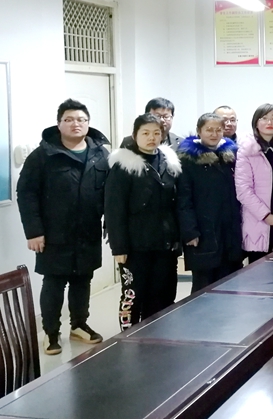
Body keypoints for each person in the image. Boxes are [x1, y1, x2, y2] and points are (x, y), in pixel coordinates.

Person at [17, 99, 108, 355]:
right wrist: (34, 231)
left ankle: (79, 325)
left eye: (81, 119)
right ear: (59, 124)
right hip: (53, 233)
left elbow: (111, 193)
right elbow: (26, 193)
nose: (75, 124)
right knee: (54, 283)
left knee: (83, 280)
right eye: (68, 120)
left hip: (88, 231)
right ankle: (50, 333)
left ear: (88, 124)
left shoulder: (101, 154)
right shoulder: (42, 155)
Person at [106, 114, 181, 331]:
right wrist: (119, 247)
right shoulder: (124, 166)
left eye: (156, 133)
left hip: (165, 243)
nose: (151, 138)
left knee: (163, 293)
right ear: (135, 135)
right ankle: (129, 337)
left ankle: (157, 335)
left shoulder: (169, 162)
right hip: (135, 245)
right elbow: (114, 210)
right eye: (145, 133)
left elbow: (176, 203)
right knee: (133, 294)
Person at [176, 113, 243, 293]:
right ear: (199, 131)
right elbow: (183, 199)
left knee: (231, 283)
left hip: (229, 230)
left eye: (218, 130)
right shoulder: (188, 159)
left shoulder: (230, 156)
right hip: (203, 231)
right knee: (204, 286)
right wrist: (190, 231)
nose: (214, 134)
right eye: (209, 130)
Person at [236, 104, 273, 262]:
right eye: (264, 118)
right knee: (258, 271)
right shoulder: (246, 150)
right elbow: (243, 190)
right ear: (256, 122)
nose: (270, 122)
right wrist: (265, 215)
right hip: (257, 221)